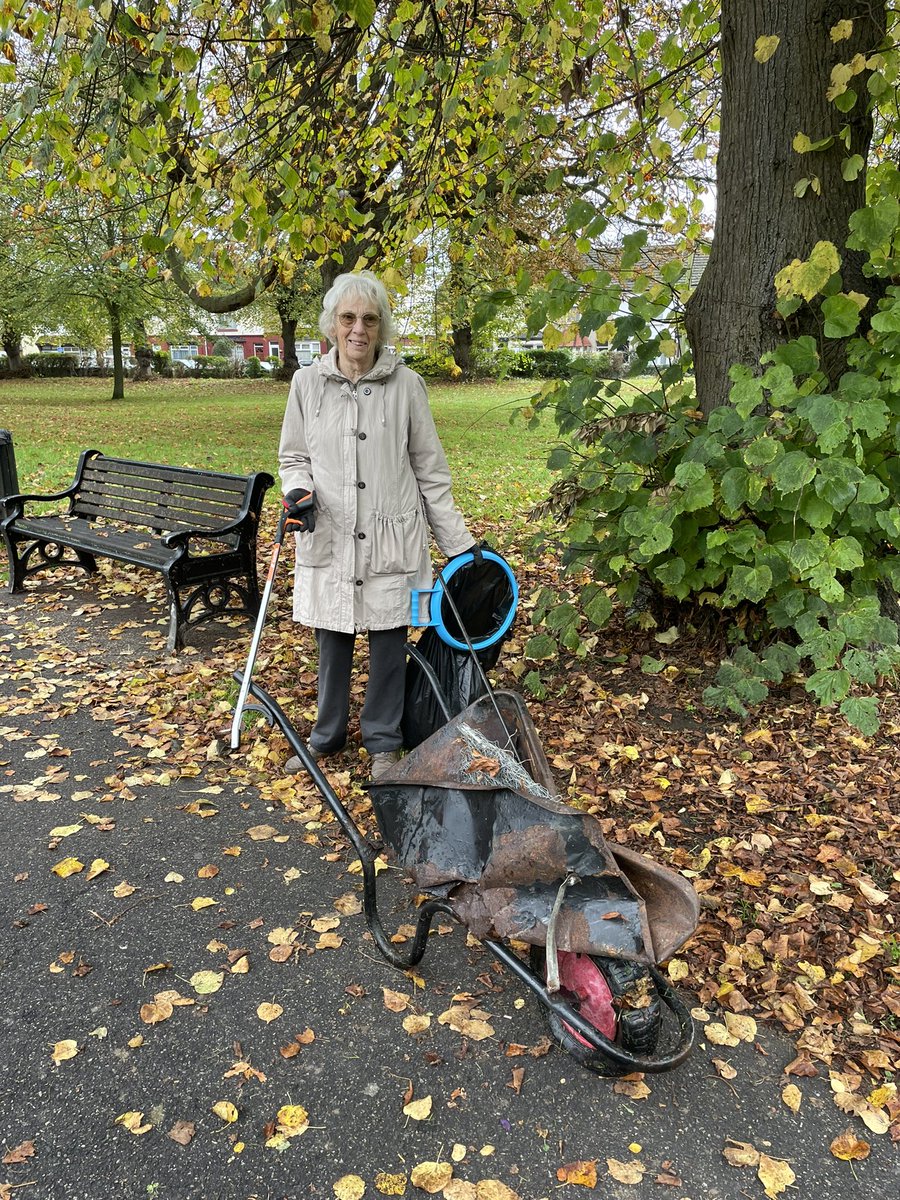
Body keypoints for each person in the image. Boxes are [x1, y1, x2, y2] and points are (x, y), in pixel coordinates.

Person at [278, 270, 475, 781]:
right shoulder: (306, 384)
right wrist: (298, 491)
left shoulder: (407, 386)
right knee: (332, 637)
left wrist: (459, 546)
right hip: (331, 532)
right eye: (348, 318)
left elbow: (430, 470)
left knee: (389, 640)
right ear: (332, 325)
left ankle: (383, 741)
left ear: (381, 326)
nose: (358, 329)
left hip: (392, 535)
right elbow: (294, 457)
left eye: (369, 319)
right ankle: (327, 735)